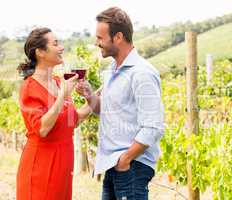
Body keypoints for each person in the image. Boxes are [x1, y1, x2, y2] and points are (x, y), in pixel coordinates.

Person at [76, 7, 164, 200]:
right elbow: (105, 111)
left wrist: (125, 160)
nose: (96, 43)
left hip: (131, 167)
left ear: (118, 37)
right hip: (114, 166)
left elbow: (153, 127)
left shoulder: (142, 73)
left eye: (100, 38)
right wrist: (90, 96)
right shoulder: (113, 71)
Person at [16, 27, 92, 200]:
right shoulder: (30, 87)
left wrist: (92, 98)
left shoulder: (58, 82)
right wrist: (63, 95)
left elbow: (74, 120)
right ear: (40, 52)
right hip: (41, 166)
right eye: (55, 44)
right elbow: (42, 129)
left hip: (63, 164)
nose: (61, 48)